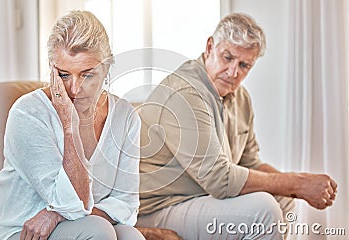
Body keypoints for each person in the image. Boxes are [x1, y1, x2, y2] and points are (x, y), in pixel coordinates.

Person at [136, 13, 338, 239]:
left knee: (283, 199)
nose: (233, 72)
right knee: (264, 209)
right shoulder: (185, 93)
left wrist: (296, 187)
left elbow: (249, 161)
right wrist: (298, 183)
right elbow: (219, 180)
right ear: (210, 46)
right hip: (159, 207)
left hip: (198, 198)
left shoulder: (240, 97)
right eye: (227, 57)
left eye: (244, 65)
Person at [0, 10, 144, 240]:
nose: (74, 90)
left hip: (64, 224)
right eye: (64, 75)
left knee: (130, 236)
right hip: (18, 229)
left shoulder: (125, 116)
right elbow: (69, 201)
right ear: (51, 69)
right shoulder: (27, 113)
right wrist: (69, 126)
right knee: (98, 230)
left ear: (106, 69)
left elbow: (126, 205)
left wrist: (56, 215)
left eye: (87, 75)